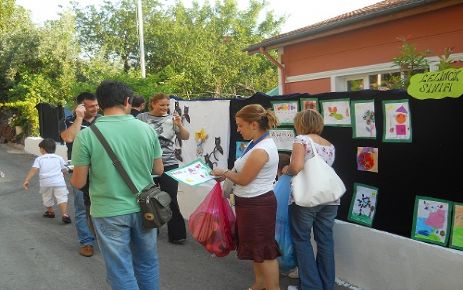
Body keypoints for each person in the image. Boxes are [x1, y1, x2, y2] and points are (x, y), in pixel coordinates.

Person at [70, 80, 164, 290]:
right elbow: (158, 170)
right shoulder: (147, 130)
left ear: (100, 104)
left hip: (108, 212)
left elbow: (79, 182)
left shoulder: (86, 136)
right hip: (145, 208)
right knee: (147, 264)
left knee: (120, 269)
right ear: (127, 101)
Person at [212, 104, 281, 290]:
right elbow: (242, 172)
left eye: (240, 125)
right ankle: (259, 284)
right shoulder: (256, 142)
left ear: (253, 125)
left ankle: (273, 288)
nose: (238, 129)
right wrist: (227, 174)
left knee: (265, 252)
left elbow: (243, 179)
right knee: (255, 248)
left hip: (257, 206)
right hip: (250, 204)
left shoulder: (261, 149)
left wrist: (225, 172)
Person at [283, 109, 338, 290]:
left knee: (302, 240)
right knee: (325, 241)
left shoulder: (302, 140)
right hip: (329, 199)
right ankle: (326, 284)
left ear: (300, 124)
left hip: (306, 199)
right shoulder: (330, 145)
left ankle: (310, 286)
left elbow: (297, 166)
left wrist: (286, 170)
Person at [137, 93, 190, 244]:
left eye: (167, 105)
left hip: (169, 164)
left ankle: (177, 234)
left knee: (171, 198)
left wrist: (179, 125)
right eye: (162, 105)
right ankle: (151, 228)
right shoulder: (141, 118)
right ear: (152, 103)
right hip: (146, 165)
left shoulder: (172, 118)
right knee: (147, 199)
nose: (165, 108)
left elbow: (186, 136)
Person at [60, 92, 100, 257]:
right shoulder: (68, 121)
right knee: (82, 208)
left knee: (100, 206)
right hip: (80, 170)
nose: (96, 109)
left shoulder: (104, 120)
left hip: (101, 170)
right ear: (81, 106)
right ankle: (86, 242)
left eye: (97, 105)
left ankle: (104, 240)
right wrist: (78, 118)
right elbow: (69, 138)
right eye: (91, 106)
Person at [22, 138, 71, 224]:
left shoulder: (39, 159)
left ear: (43, 149)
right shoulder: (59, 158)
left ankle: (50, 212)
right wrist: (64, 173)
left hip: (46, 182)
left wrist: (27, 180)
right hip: (59, 182)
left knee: (47, 197)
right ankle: (65, 215)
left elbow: (34, 170)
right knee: (62, 197)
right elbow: (64, 169)